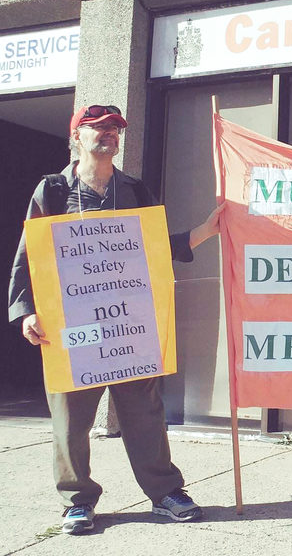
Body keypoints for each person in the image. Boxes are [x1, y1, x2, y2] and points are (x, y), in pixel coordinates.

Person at [8, 105, 224, 535]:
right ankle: (77, 501)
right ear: (77, 137)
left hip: (128, 324)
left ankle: (165, 493)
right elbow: (29, 253)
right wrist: (25, 310)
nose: (108, 135)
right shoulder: (52, 190)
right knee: (71, 418)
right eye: (97, 129)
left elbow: (154, 246)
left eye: (114, 130)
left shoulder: (134, 189)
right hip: (73, 328)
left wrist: (205, 229)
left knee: (145, 412)